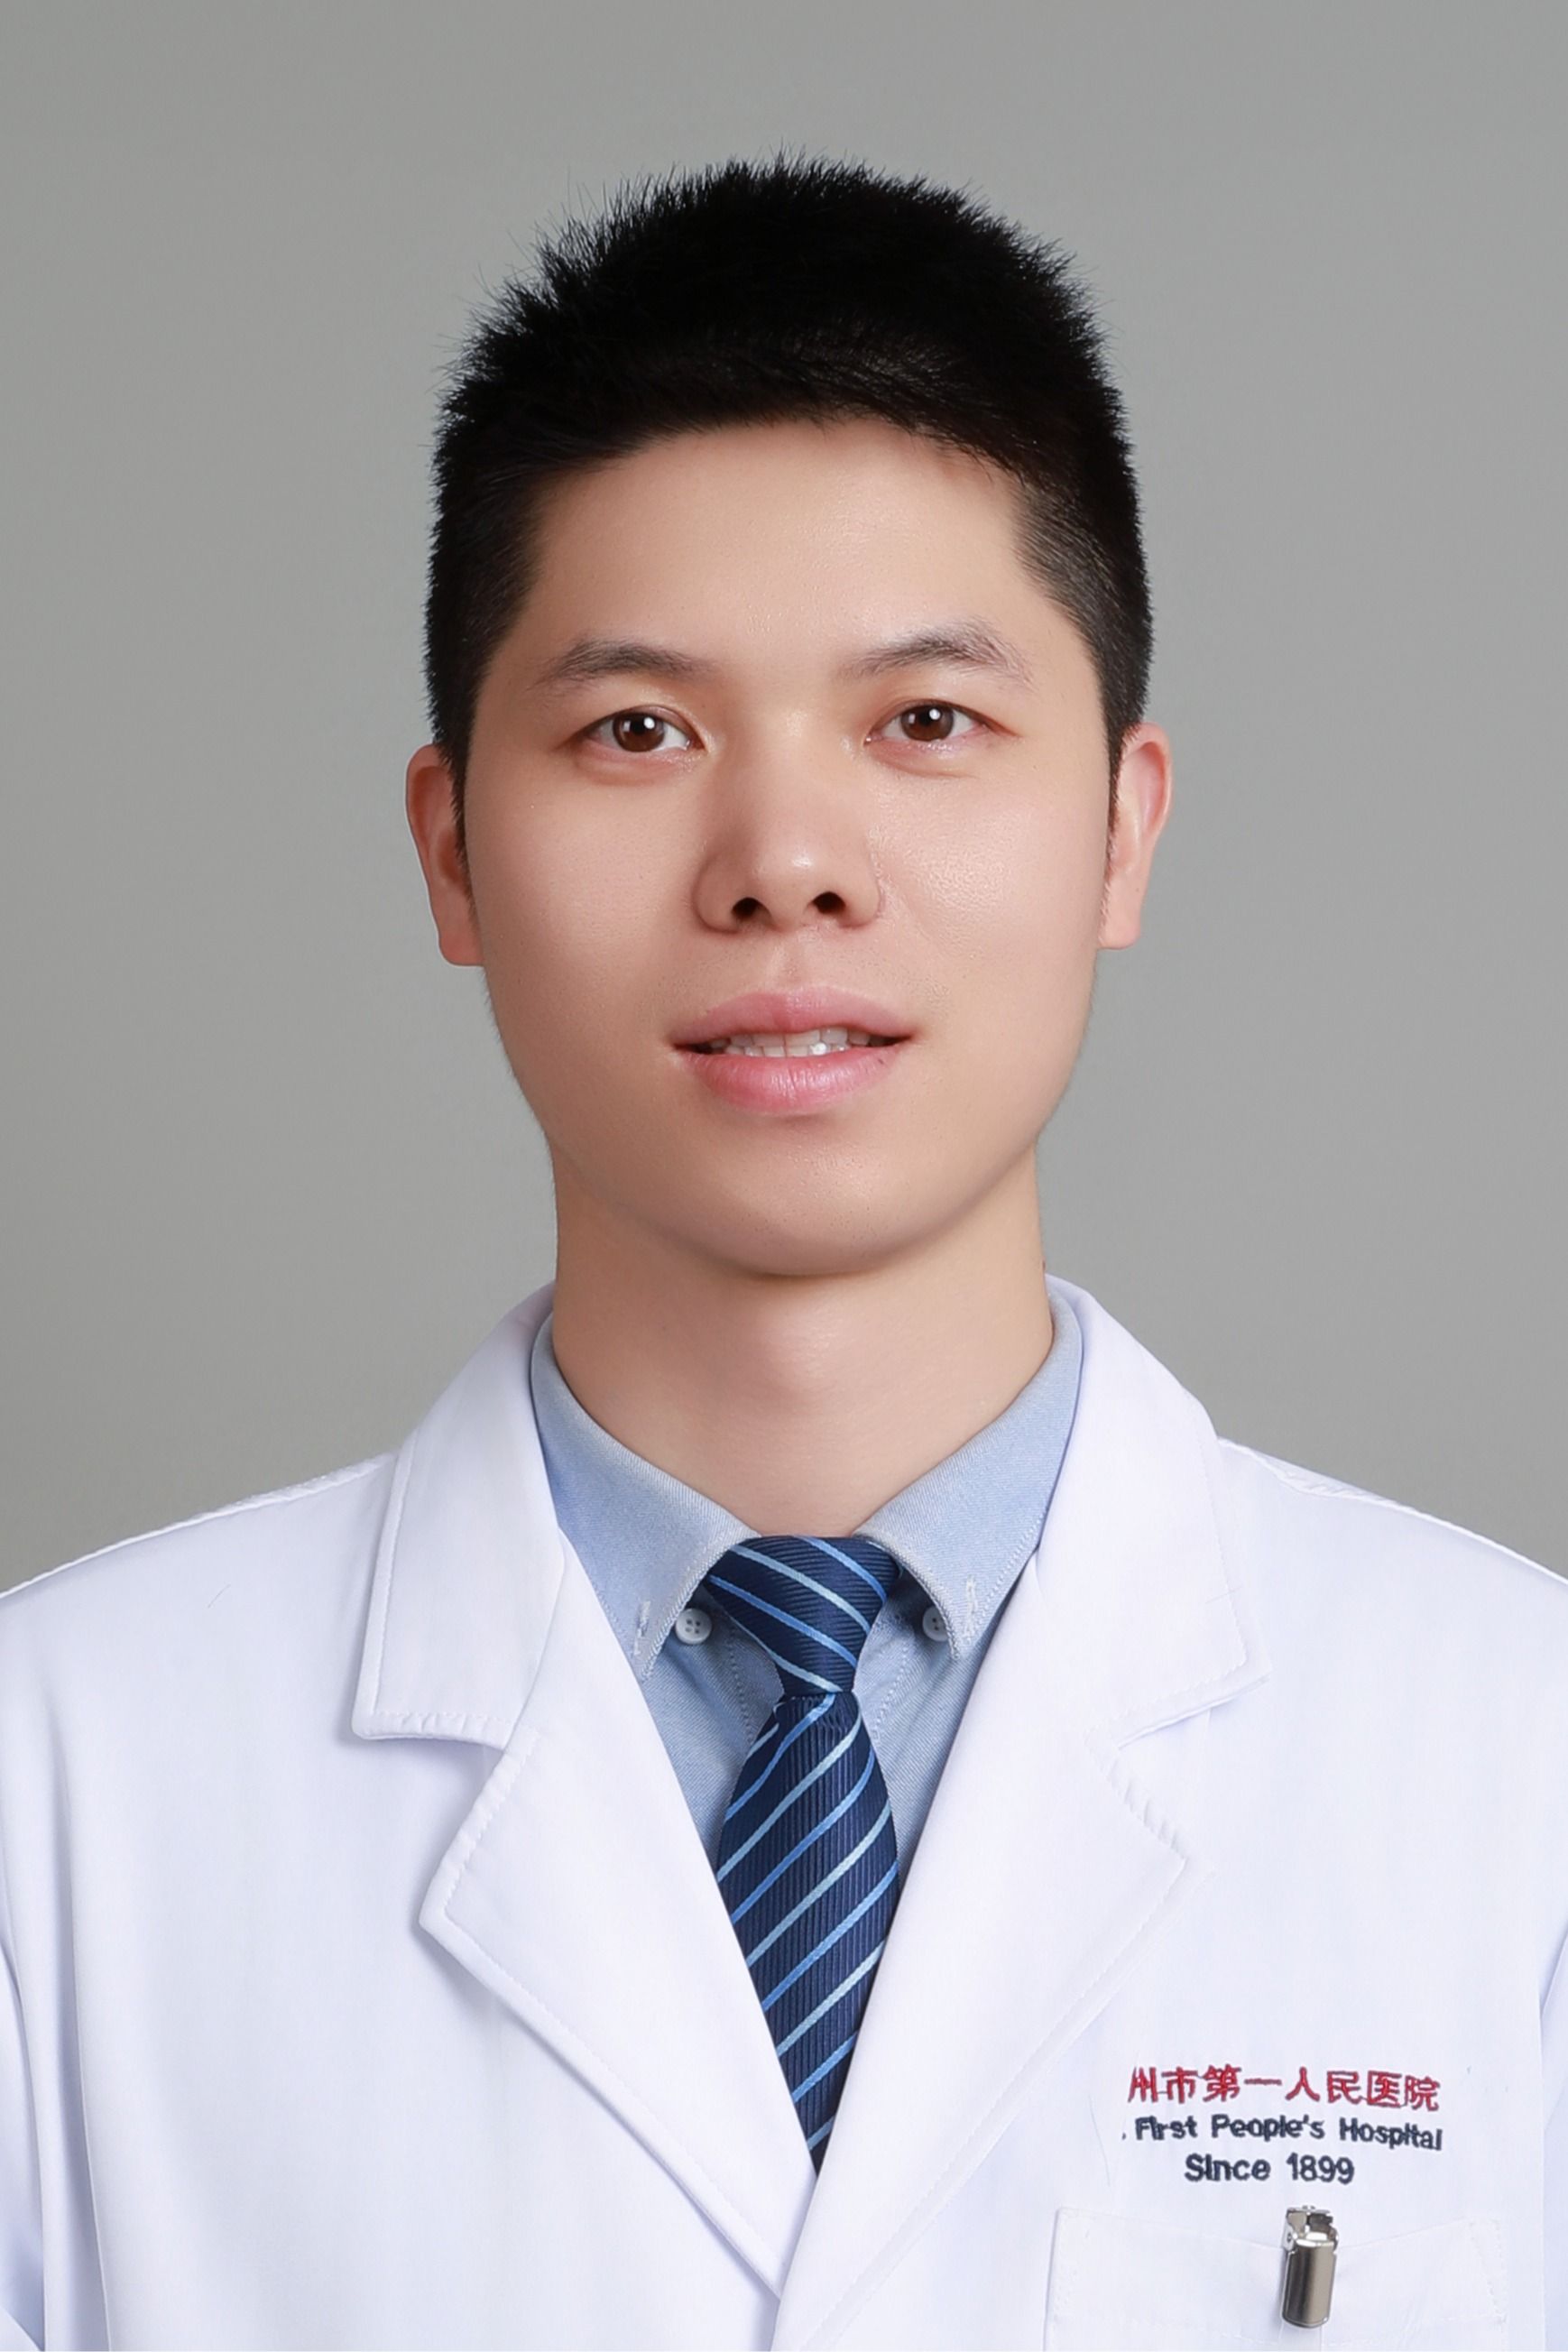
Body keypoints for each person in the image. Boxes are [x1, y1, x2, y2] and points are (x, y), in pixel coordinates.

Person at [0, 152, 1563, 2352]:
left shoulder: (1512, 1760)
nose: (784, 861)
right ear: (452, 852)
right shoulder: (59, 1780)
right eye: (636, 730)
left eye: (924, 721)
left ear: (1119, 825)